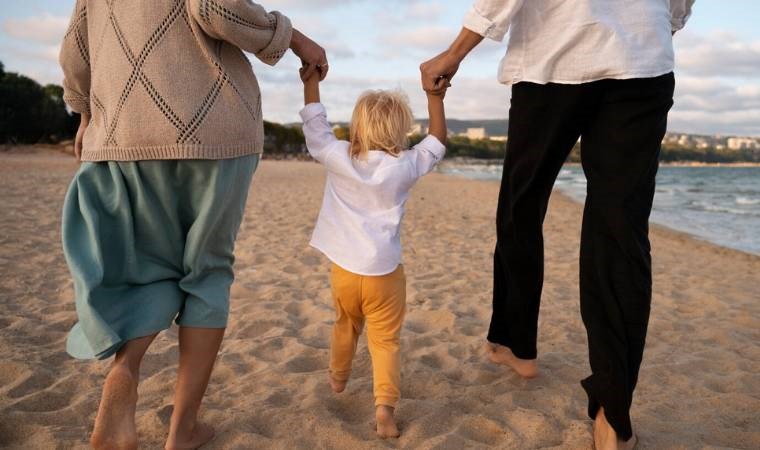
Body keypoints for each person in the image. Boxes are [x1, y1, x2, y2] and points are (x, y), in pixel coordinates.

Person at [420, 1, 694, 449]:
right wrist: (655, 27)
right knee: (620, 233)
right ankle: (613, 416)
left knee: (521, 207)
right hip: (642, 60)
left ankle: (516, 345)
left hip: (553, 60)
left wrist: (454, 52)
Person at [58, 1, 327, 448]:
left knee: (152, 271)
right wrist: (296, 39)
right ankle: (182, 429)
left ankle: (124, 370)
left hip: (125, 134)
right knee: (206, 273)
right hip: (214, 130)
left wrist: (85, 114)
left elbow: (75, 50)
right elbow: (217, 8)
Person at [299, 65, 448, 437]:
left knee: (344, 324)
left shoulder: (339, 157)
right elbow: (437, 141)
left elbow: (315, 130)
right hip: (384, 273)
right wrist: (435, 97)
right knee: (385, 342)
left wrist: (311, 82)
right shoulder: (405, 165)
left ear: (358, 127)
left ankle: (338, 377)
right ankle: (384, 412)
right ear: (399, 131)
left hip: (345, 272)